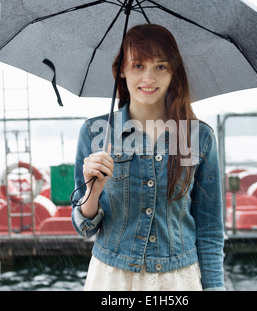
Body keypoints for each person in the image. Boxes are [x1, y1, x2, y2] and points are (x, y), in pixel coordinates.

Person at [71, 24, 225, 291]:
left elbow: (210, 230)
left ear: (173, 70)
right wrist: (92, 193)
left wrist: (215, 287)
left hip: (178, 281)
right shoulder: (95, 134)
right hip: (112, 280)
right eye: (138, 65)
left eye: (160, 66)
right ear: (121, 69)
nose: (149, 78)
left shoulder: (200, 137)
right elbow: (85, 228)